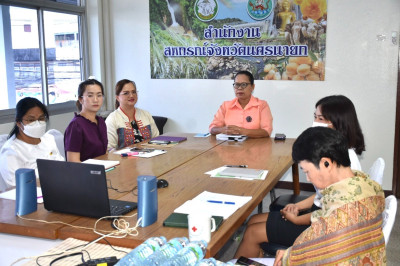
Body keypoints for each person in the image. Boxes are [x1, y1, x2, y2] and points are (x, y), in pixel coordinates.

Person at [234, 95, 365, 259]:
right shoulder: (334, 149)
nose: (315, 121)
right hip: (318, 215)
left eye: (321, 118)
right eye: (315, 116)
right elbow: (324, 195)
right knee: (254, 220)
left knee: (253, 232)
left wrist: (297, 219)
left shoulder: (344, 159)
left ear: (338, 122)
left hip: (323, 229)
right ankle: (257, 257)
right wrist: (298, 206)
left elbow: (330, 215)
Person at [274, 127, 385, 265]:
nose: (308, 179)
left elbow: (319, 250)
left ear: (326, 163)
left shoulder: (340, 213)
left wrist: (288, 257)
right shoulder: (368, 185)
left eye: (307, 171)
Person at [0, 97, 64, 189]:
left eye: (41, 118)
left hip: (58, 189)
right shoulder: (11, 151)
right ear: (18, 122)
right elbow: (15, 186)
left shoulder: (49, 139)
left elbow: (62, 168)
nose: (37, 123)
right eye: (31, 120)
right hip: (31, 197)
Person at [209, 71, 273, 138]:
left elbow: (266, 131)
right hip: (229, 146)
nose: (239, 88)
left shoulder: (262, 105)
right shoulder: (226, 105)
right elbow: (212, 128)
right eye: (237, 85)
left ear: (252, 87)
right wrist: (223, 130)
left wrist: (241, 131)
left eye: (244, 84)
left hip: (254, 146)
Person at [105, 79, 159, 150]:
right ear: (117, 97)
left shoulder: (146, 114)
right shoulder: (112, 119)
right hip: (124, 159)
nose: (131, 95)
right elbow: (109, 149)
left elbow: (157, 139)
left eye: (134, 92)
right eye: (126, 93)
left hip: (149, 158)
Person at [64, 79, 107, 162]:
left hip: (103, 168)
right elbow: (73, 162)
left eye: (99, 95)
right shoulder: (76, 125)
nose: (95, 100)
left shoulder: (101, 121)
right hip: (85, 172)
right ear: (81, 99)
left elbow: (104, 153)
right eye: (90, 95)